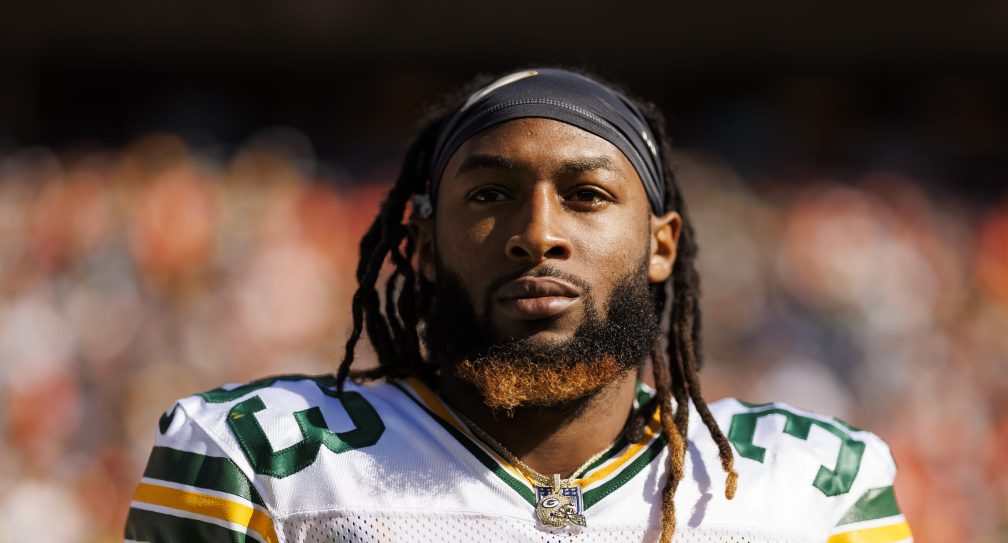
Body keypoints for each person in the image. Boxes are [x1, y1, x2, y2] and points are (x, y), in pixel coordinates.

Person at [125, 68, 913, 543]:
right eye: (492, 194)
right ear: (425, 243)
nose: (537, 234)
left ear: (661, 243)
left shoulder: (814, 481)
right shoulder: (253, 456)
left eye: (587, 195)